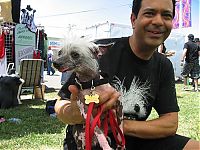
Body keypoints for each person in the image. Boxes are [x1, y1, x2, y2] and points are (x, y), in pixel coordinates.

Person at [55, 0, 200, 149]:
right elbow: (60, 103)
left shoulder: (163, 65)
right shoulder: (100, 52)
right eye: (149, 13)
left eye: (166, 15)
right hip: (89, 139)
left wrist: (117, 124)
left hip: (133, 136)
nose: (158, 21)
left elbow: (169, 124)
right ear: (133, 19)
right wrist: (72, 113)